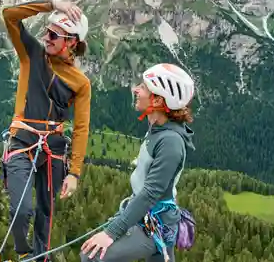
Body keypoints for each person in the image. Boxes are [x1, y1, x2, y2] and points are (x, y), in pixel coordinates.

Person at [0, 0, 92, 261]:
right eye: (46, 31)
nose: (46, 38)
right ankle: (24, 253)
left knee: (45, 214)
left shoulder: (81, 82)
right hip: (22, 142)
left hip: (53, 148)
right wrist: (51, 4)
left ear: (72, 42)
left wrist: (74, 172)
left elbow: (82, 128)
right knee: (21, 210)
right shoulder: (32, 54)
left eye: (53, 35)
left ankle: (41, 258)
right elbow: (9, 16)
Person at [80, 63, 196, 262]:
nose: (136, 89)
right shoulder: (158, 128)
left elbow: (151, 193)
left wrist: (111, 233)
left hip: (155, 224)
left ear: (158, 100)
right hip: (153, 219)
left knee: (91, 256)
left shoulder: (170, 142)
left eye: (143, 87)